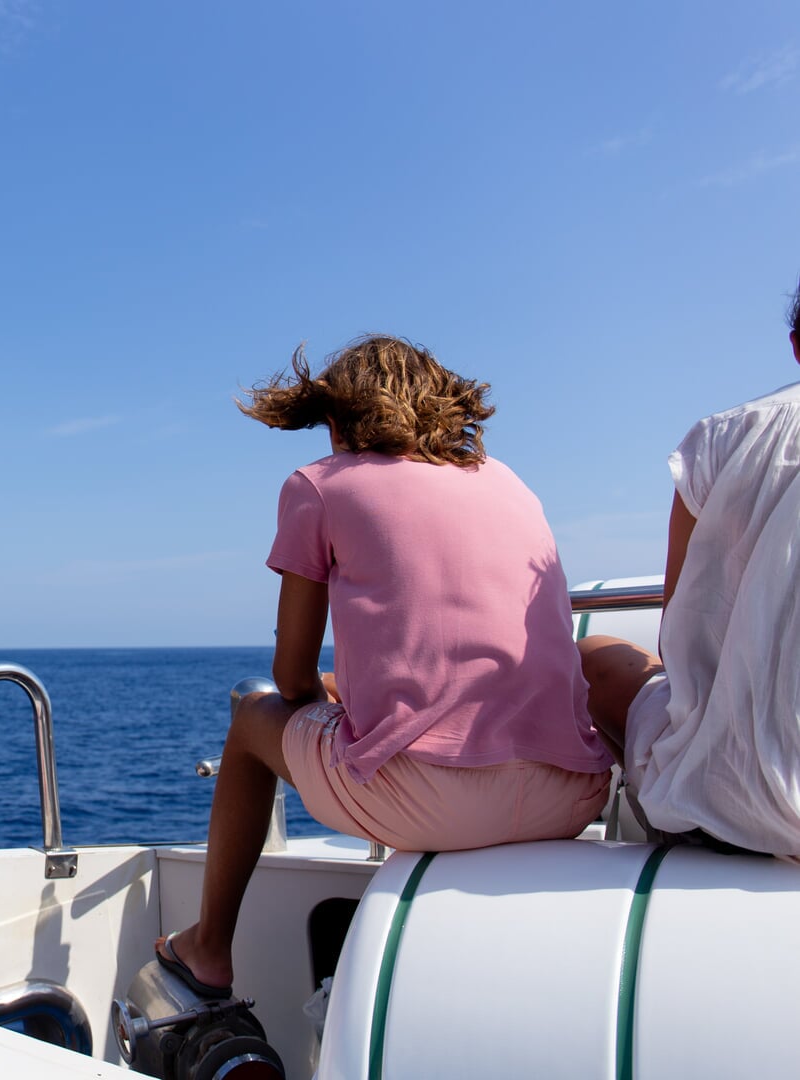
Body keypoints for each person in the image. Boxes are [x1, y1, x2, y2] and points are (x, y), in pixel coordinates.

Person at [156, 335, 613, 1000]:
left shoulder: (318, 486)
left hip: (432, 801)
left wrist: (324, 708)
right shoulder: (509, 480)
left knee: (251, 715)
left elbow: (292, 681)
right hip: (569, 795)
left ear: (339, 418)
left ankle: (209, 949)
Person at [579, 280, 800, 858]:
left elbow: (676, 632)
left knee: (591, 656)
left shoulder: (726, 440)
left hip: (732, 802)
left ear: (797, 346)